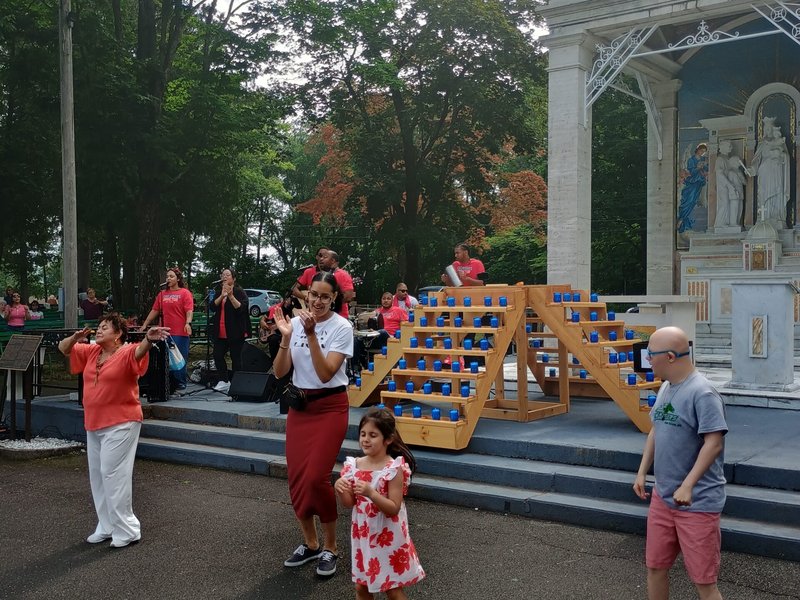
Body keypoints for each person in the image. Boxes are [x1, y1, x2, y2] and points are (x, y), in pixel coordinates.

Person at [57, 313, 170, 548]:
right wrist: (75, 337)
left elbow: (140, 352)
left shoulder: (127, 351)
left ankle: (127, 529)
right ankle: (106, 525)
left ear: (118, 334)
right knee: (97, 475)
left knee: (112, 473)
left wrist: (148, 339)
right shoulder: (91, 352)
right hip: (94, 422)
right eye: (98, 327)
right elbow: (63, 348)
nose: (98, 331)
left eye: (105, 328)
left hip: (122, 422)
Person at [633, 326, 728, 600]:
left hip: (697, 503)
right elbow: (655, 430)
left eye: (651, 354)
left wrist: (687, 486)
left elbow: (714, 443)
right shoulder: (665, 387)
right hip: (663, 498)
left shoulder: (703, 393)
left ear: (671, 356)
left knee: (704, 582)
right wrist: (642, 473)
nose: (647, 359)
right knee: (655, 567)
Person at [273, 271, 353, 578]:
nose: (317, 301)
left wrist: (307, 334)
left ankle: (331, 547)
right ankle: (310, 543)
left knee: (317, 478)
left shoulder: (341, 327)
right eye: (313, 294)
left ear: (334, 298)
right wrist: (286, 337)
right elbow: (280, 372)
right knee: (296, 476)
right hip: (301, 408)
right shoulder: (294, 324)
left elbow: (325, 373)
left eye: (324, 296)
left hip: (331, 407)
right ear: (305, 295)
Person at [335, 407, 425, 599]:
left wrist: (371, 493)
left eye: (373, 435)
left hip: (388, 536)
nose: (366, 439)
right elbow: (349, 503)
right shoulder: (354, 466)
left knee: (392, 589)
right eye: (363, 434)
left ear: (388, 439)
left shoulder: (393, 468)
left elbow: (393, 508)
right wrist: (340, 488)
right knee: (362, 587)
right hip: (364, 535)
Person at [141, 268, 194, 391]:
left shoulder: (185, 293)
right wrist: (145, 324)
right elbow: (155, 310)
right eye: (167, 277)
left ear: (178, 279)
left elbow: (189, 310)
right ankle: (168, 382)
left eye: (171, 276)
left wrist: (188, 323)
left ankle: (180, 382)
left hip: (180, 332)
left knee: (178, 357)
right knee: (165, 357)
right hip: (164, 331)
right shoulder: (161, 295)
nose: (168, 279)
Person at [210, 268, 250, 394]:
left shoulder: (239, 291)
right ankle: (223, 380)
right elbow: (212, 307)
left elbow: (242, 308)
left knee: (236, 358)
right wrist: (222, 295)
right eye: (223, 275)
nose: (225, 277)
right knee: (217, 355)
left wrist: (231, 296)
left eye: (228, 275)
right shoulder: (219, 291)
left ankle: (236, 382)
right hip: (220, 331)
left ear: (234, 278)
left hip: (235, 331)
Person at [749, 117, 790, 225]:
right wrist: (752, 168)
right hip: (764, 172)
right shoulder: (762, 144)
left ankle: (777, 216)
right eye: (765, 129)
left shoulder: (780, 142)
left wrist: (780, 156)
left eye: (769, 129)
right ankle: (764, 217)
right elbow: (756, 159)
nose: (767, 132)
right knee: (763, 193)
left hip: (776, 171)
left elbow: (786, 157)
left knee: (777, 191)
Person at [354, 291, 408, 370]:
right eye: (384, 299)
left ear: (392, 301)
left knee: (382, 331)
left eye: (388, 299)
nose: (386, 300)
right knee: (356, 339)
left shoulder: (399, 311)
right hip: (376, 337)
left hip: (391, 338)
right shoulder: (376, 312)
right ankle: (356, 367)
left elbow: (406, 325)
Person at [677, 143, 709, 234]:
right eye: (701, 150)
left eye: (704, 152)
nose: (702, 153)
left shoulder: (703, 159)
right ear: (697, 149)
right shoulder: (691, 160)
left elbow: (707, 169)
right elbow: (691, 171)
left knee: (694, 200)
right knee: (689, 200)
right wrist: (698, 168)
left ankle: (684, 219)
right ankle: (682, 219)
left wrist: (705, 166)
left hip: (700, 182)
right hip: (692, 182)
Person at [714, 140, 745, 228]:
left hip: (731, 186)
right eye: (729, 146)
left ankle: (729, 223)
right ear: (722, 147)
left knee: (731, 205)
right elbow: (720, 174)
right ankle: (720, 224)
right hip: (724, 186)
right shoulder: (720, 159)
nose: (731, 148)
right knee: (724, 204)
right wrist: (729, 185)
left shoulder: (728, 159)